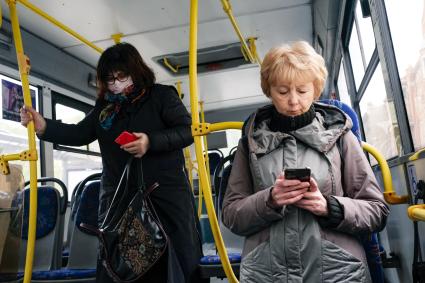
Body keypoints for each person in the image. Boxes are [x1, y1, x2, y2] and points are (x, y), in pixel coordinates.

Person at [20, 42, 205, 283]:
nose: (116, 83)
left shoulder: (161, 96)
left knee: (168, 267)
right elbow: (79, 134)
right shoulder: (106, 108)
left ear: (136, 72)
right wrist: (43, 125)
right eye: (110, 79)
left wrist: (150, 141)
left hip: (163, 198)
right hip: (119, 199)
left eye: (121, 76)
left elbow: (187, 131)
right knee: (121, 266)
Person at [222, 41, 389, 283]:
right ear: (269, 90)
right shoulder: (249, 144)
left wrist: (329, 207)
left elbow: (377, 211)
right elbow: (231, 215)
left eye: (302, 91)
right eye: (282, 91)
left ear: (316, 89)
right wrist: (269, 200)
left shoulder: (342, 137)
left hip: (338, 272)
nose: (292, 101)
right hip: (266, 273)